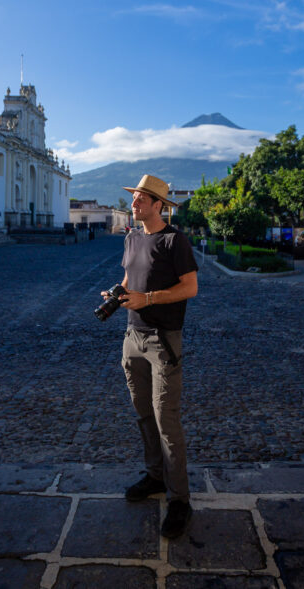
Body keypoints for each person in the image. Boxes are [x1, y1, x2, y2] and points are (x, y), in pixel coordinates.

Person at [102, 174, 198, 539]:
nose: (135, 203)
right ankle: (156, 477)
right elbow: (130, 279)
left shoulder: (175, 240)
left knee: (166, 420)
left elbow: (190, 287)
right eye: (134, 198)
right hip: (132, 337)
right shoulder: (132, 237)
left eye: (142, 199)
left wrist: (149, 299)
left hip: (162, 341)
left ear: (159, 205)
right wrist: (117, 294)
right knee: (143, 414)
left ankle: (180, 500)